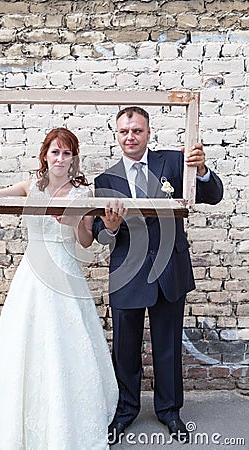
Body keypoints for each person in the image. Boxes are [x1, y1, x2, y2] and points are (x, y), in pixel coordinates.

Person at [0, 127, 118, 450]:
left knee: (66, 347)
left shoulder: (84, 193)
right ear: (45, 155)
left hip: (66, 274)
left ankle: (67, 425)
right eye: (55, 152)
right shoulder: (30, 187)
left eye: (67, 153)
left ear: (74, 158)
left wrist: (77, 223)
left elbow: (86, 242)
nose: (61, 159)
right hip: (32, 276)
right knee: (24, 347)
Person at [92, 107, 223, 445]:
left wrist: (203, 170)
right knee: (124, 349)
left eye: (136, 130)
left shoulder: (174, 163)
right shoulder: (105, 180)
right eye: (124, 131)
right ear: (117, 135)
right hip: (127, 274)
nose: (130, 137)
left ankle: (169, 412)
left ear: (149, 133)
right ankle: (125, 411)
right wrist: (109, 226)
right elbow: (100, 234)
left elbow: (213, 195)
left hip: (169, 271)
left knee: (167, 347)